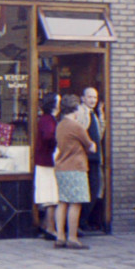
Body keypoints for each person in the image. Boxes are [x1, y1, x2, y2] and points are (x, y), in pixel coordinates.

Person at [54, 94, 96, 250]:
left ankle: (60, 236)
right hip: (75, 167)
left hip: (61, 166)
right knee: (75, 203)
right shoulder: (76, 126)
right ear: (76, 108)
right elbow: (90, 145)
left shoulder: (60, 125)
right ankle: (72, 237)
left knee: (62, 202)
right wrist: (92, 146)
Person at [34, 93, 61, 240]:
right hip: (47, 162)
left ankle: (46, 225)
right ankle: (50, 228)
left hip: (45, 161)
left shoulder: (47, 119)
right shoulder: (48, 120)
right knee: (51, 197)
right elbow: (48, 136)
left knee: (50, 196)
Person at [79, 87, 104, 233]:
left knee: (95, 190)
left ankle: (83, 221)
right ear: (83, 98)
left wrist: (101, 115)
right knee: (90, 190)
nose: (93, 100)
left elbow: (99, 135)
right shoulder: (82, 113)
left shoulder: (93, 114)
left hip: (94, 159)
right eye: (89, 97)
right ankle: (81, 222)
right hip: (86, 159)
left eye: (94, 97)